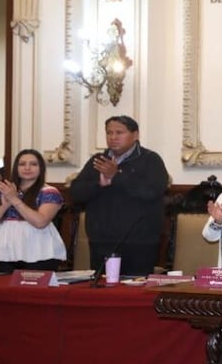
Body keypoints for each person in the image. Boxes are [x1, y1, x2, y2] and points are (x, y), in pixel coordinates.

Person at [69, 116, 169, 278]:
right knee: (103, 291)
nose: (113, 137)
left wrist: (117, 176)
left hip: (140, 242)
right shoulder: (98, 161)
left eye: (119, 133)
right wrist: (99, 184)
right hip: (101, 240)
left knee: (134, 292)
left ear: (135, 135)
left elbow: (152, 192)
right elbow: (76, 194)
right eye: (109, 133)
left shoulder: (150, 160)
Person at [0, 149, 68, 271]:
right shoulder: (6, 190)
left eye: (33, 164)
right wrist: (5, 205)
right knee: (5, 289)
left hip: (39, 251)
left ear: (41, 168)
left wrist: (15, 200)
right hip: (7, 250)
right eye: (22, 164)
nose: (27, 168)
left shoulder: (49, 192)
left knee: (34, 289)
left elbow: (40, 222)